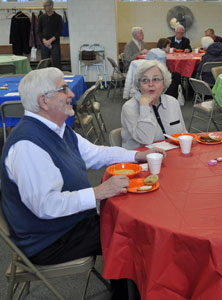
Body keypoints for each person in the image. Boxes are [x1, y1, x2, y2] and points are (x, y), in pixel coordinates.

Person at [0, 67, 164, 299]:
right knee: (134, 236)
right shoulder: (27, 146)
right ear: (43, 101)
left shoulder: (57, 129)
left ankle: (124, 290)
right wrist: (99, 192)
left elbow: (96, 154)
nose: (72, 94)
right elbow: (46, 206)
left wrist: (136, 155)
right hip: (49, 239)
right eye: (63, 89)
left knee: (128, 227)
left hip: (68, 224)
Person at [121, 60, 187, 150]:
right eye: (145, 80)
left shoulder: (172, 102)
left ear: (164, 83)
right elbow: (146, 139)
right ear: (139, 85)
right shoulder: (130, 107)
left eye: (155, 79)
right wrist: (144, 106)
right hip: (142, 160)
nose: (151, 84)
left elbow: (183, 133)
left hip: (172, 156)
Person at [37, 0, 63, 70]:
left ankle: (58, 80)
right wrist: (45, 41)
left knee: (56, 63)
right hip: (44, 44)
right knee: (44, 64)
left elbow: (59, 32)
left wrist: (50, 41)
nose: (44, 8)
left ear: (51, 6)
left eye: (45, 6)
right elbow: (39, 31)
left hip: (55, 44)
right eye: (43, 6)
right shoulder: (41, 17)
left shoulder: (58, 17)